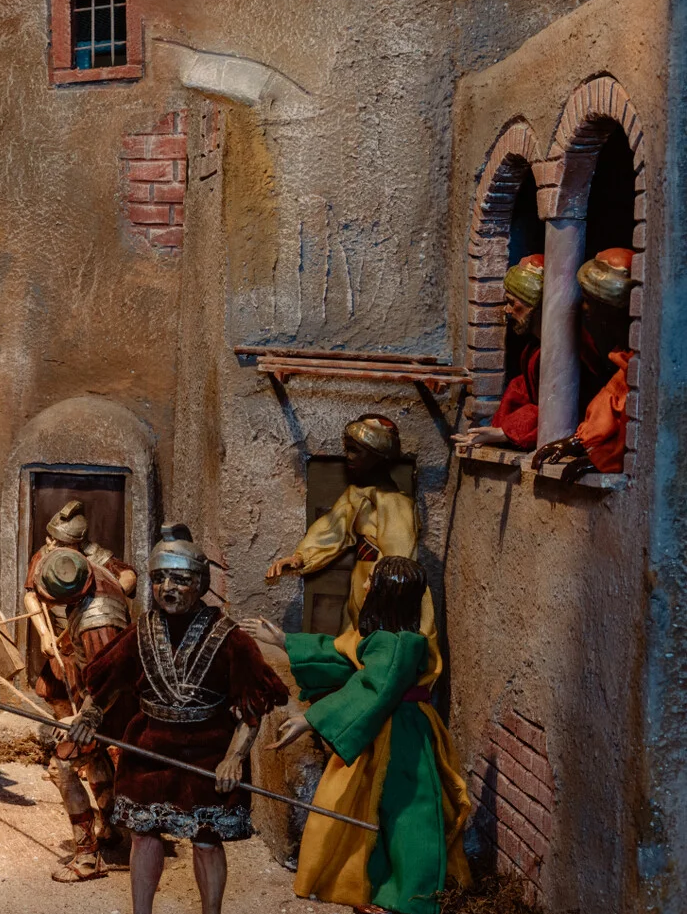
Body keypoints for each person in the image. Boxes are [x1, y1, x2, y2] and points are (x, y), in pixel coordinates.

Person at [69, 525, 289, 914]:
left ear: (200, 583)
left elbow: (252, 708)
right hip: (150, 745)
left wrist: (234, 757)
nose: (168, 588)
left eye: (181, 580)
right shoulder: (141, 631)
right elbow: (107, 682)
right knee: (145, 836)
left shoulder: (230, 637)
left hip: (208, 751)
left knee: (206, 839)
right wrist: (89, 714)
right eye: (160, 579)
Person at [245, 557, 473, 914]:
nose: (365, 585)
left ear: (388, 592)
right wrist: (286, 641)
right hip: (384, 729)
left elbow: (373, 688)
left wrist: (312, 719)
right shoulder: (381, 639)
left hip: (402, 735)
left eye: (372, 581)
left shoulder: (400, 645)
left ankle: (414, 896)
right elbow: (342, 656)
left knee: (409, 812)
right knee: (374, 807)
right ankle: (379, 883)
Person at [266, 416, 442, 696]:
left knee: (381, 648)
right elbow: (332, 528)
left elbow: (399, 559)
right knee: (353, 644)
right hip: (363, 584)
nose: (348, 456)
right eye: (347, 449)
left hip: (385, 592)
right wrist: (301, 557)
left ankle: (376, 700)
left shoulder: (396, 503)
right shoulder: (357, 494)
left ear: (378, 455)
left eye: (355, 451)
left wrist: (381, 587)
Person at [25, 547, 132, 881]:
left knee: (62, 766)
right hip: (101, 697)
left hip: (111, 705)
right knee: (94, 757)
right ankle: (112, 827)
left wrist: (81, 718)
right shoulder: (92, 570)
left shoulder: (97, 623)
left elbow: (110, 683)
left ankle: (87, 857)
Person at [531, 247, 634, 480]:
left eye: (588, 301)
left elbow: (629, 414)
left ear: (608, 308)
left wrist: (602, 459)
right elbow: (608, 404)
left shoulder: (638, 362)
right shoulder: (621, 355)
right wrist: (576, 442)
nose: (583, 308)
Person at [452, 254, 544, 451]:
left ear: (535, 306)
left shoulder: (563, 355)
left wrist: (505, 432)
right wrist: (496, 431)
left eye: (512, 302)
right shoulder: (533, 350)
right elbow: (521, 392)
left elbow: (556, 410)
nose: (507, 310)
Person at [28, 500, 137, 597]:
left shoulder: (96, 556)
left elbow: (128, 576)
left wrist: (109, 598)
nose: (53, 547)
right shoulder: (42, 555)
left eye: (63, 544)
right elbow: (31, 594)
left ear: (79, 544)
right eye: (51, 539)